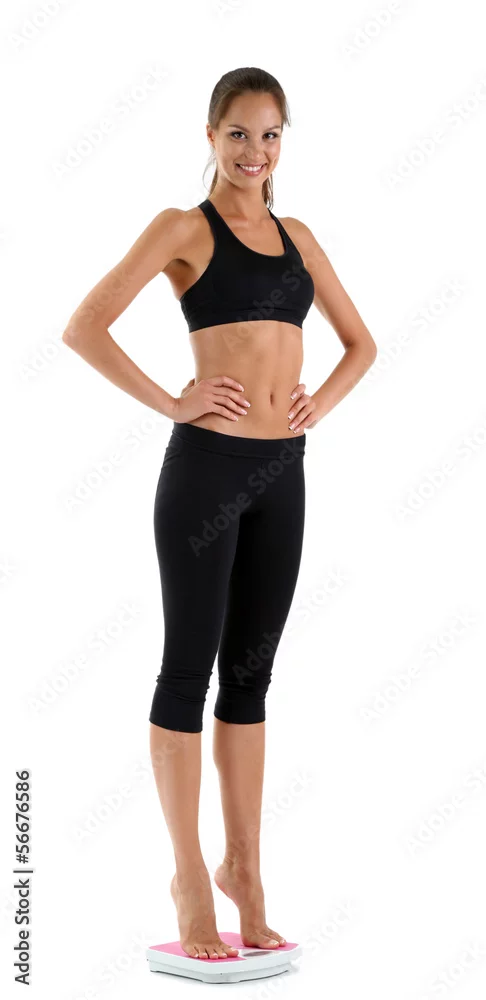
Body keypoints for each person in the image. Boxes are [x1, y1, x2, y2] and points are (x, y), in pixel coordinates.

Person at [62, 66, 377, 962]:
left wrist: (319, 404)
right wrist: (173, 401)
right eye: (239, 133)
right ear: (210, 136)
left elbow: (362, 344)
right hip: (205, 471)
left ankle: (246, 869)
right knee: (185, 672)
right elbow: (85, 326)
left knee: (251, 677)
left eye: (271, 134)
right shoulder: (183, 229)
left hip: (284, 472)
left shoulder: (298, 237)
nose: (255, 151)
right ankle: (189, 880)